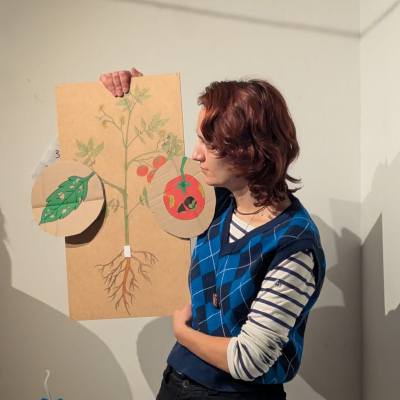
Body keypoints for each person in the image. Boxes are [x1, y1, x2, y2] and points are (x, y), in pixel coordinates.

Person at [100, 68, 326, 400]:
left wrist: (182, 333)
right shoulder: (215, 201)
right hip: (176, 381)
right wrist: (132, 96)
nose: (196, 154)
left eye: (211, 143)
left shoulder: (293, 244)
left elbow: (249, 360)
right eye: (200, 139)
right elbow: (137, 179)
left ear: (250, 150)